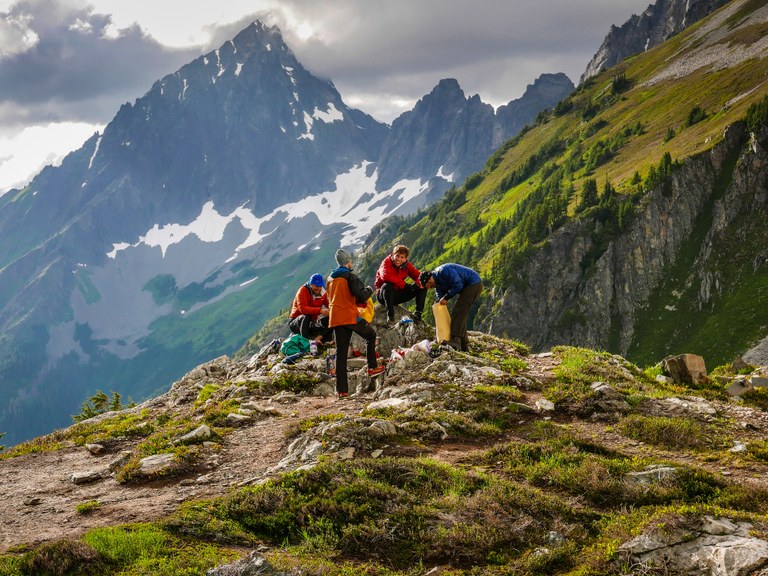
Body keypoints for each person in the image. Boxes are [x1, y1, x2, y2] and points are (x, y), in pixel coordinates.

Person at [327, 248, 384, 397]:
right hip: (349, 315)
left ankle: (342, 391)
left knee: (341, 354)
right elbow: (362, 296)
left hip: (335, 317)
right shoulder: (349, 276)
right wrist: (369, 289)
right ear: (348, 262)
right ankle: (372, 367)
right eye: (351, 261)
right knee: (371, 335)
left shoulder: (330, 279)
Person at [419, 263, 483, 352]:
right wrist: (439, 302)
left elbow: (458, 285)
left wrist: (446, 297)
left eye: (428, 286)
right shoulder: (437, 283)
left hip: (474, 284)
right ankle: (464, 346)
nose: (430, 288)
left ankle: (455, 341)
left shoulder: (444, 271)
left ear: (429, 280)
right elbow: (439, 295)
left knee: (458, 312)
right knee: (461, 314)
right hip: (468, 287)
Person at [374, 244, 427, 324]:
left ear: (406, 259)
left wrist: (417, 284)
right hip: (384, 295)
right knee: (387, 285)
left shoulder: (407, 265)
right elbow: (385, 276)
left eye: (402, 257)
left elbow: (418, 276)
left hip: (397, 294)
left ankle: (418, 313)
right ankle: (390, 314)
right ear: (393, 254)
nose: (399, 259)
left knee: (423, 286)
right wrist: (405, 285)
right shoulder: (386, 262)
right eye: (397, 256)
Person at [288, 273, 332, 344]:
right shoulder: (303, 291)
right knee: (307, 315)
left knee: (332, 319)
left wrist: (333, 311)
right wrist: (320, 310)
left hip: (311, 322)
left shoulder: (323, 293)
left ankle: (320, 338)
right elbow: (303, 309)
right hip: (296, 323)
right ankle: (305, 343)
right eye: (316, 286)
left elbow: (329, 304)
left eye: (320, 286)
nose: (318, 288)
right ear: (311, 284)